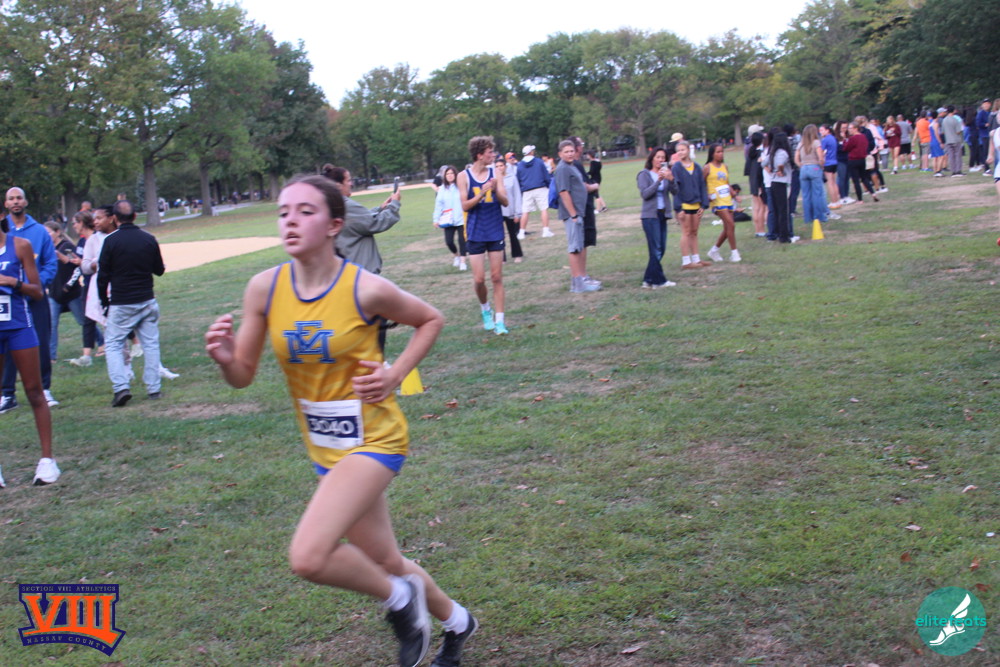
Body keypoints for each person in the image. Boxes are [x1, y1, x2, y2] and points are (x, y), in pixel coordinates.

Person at [205, 174, 475, 667]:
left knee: (308, 557)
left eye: (305, 211)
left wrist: (394, 374)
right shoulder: (264, 289)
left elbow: (430, 318)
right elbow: (242, 376)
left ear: (334, 225)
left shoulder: (364, 288)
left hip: (375, 439)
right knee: (385, 559)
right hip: (326, 447)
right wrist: (226, 359)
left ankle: (401, 600)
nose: (290, 220)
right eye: (284, 211)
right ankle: (458, 621)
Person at [0, 212, 60, 485]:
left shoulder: (20, 245)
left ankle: (47, 461)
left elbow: (37, 291)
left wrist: (13, 282)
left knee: (34, 391)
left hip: (19, 326)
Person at [97, 200, 165, 406]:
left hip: (122, 301)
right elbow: (159, 270)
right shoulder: (148, 239)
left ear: (114, 218)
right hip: (146, 299)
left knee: (113, 344)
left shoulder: (110, 241)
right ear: (135, 216)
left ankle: (121, 387)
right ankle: (154, 388)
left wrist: (104, 302)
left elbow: (102, 276)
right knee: (150, 343)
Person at [0, 187, 58, 414]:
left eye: (19, 198)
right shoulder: (4, 231)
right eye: (11, 199)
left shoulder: (39, 232)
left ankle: (44, 389)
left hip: (33, 297)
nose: (15, 202)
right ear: (6, 205)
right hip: (7, 302)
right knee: (7, 343)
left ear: (25, 202)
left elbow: (50, 263)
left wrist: (33, 286)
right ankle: (8, 394)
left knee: (40, 342)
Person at [458, 136, 510, 334]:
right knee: (479, 279)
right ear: (479, 155)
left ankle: (500, 321)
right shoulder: (463, 176)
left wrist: (495, 190)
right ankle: (485, 309)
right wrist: (481, 193)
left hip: (495, 229)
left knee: (496, 277)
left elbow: (505, 202)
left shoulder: (496, 173)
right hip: (475, 232)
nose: (493, 155)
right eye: (489, 152)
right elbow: (465, 206)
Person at [322, 165, 402, 275]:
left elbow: (358, 220)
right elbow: (375, 223)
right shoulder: (345, 205)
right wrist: (394, 204)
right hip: (360, 273)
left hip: (345, 271)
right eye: (348, 180)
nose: (351, 184)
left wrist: (380, 208)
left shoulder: (329, 204)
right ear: (338, 185)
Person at [555, 139, 600, 292]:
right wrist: (573, 215)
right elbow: (563, 192)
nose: (570, 154)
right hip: (572, 214)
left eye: (571, 151)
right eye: (566, 152)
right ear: (560, 154)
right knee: (574, 247)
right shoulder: (562, 169)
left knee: (579, 246)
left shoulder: (571, 166)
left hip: (579, 212)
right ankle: (577, 284)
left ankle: (581, 281)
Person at [66, 210, 104, 366]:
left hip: (101, 283)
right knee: (87, 318)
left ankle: (135, 342)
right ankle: (86, 356)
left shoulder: (97, 238)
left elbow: (100, 262)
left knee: (110, 316)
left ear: (82, 222)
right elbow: (82, 263)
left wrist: (82, 262)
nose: (73, 226)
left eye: (75, 222)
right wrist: (77, 262)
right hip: (87, 284)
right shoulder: (81, 242)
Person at [636, 147, 678, 288]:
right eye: (658, 157)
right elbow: (645, 194)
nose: (661, 160)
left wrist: (671, 179)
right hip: (649, 216)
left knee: (661, 248)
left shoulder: (667, 173)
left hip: (662, 214)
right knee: (656, 249)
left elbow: (676, 192)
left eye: (663, 158)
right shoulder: (644, 174)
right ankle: (659, 281)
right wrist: (658, 181)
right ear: (652, 158)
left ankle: (648, 279)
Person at [43, 221, 83, 362]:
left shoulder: (67, 247)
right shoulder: (47, 249)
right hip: (54, 294)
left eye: (49, 232)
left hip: (71, 293)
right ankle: (51, 356)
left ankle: (100, 342)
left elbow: (77, 267)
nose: (46, 235)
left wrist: (68, 286)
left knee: (83, 321)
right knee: (52, 324)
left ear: (58, 232)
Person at [672, 140, 711, 265]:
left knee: (694, 232)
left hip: (696, 204)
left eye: (683, 150)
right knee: (686, 232)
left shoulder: (697, 167)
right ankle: (686, 261)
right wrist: (678, 208)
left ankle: (696, 259)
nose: (680, 152)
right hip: (684, 205)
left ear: (688, 150)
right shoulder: (676, 168)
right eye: (678, 150)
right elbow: (675, 189)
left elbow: (702, 186)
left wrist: (704, 205)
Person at [704, 143, 741, 263]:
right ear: (712, 154)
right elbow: (701, 183)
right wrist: (706, 196)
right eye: (718, 152)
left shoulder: (725, 166)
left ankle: (714, 250)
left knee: (728, 227)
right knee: (731, 224)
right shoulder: (707, 167)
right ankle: (734, 253)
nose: (721, 154)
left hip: (727, 200)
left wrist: (734, 195)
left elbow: (727, 183)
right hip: (716, 201)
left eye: (722, 151)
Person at [795, 124, 836, 230]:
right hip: (814, 167)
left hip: (804, 168)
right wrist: (821, 165)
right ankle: (819, 216)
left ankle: (808, 217)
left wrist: (801, 165)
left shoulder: (801, 144)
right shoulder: (816, 142)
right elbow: (820, 157)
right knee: (817, 194)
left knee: (806, 195)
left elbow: (796, 158)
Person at [431, 166, 467, 271]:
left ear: (455, 175)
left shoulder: (461, 187)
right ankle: (456, 256)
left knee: (462, 241)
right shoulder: (442, 189)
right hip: (448, 220)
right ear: (445, 176)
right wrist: (436, 219)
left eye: (452, 173)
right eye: (447, 174)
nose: (450, 176)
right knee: (449, 241)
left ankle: (463, 262)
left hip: (461, 218)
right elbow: (438, 205)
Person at [515, 145, 553, 239]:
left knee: (525, 211)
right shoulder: (539, 162)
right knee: (544, 209)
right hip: (540, 187)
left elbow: (518, 179)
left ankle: (521, 232)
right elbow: (546, 175)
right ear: (531, 152)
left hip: (526, 190)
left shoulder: (520, 165)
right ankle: (545, 230)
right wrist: (548, 185)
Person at [764, 132, 793, 243]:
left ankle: (778, 233)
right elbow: (780, 163)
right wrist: (780, 170)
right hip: (782, 183)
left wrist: (771, 171)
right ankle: (784, 236)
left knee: (776, 210)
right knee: (783, 210)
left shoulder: (773, 152)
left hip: (773, 182)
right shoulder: (783, 153)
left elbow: (763, 163)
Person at [843, 122, 879, 203]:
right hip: (862, 160)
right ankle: (873, 193)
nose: (849, 130)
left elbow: (846, 148)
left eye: (850, 128)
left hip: (853, 160)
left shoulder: (853, 138)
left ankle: (860, 199)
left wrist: (845, 140)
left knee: (856, 181)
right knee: (864, 178)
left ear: (856, 129)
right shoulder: (863, 137)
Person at [498, 155, 524, 263]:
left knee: (513, 233)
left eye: (501, 165)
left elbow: (517, 195)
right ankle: (501, 257)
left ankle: (517, 254)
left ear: (505, 166)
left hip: (510, 210)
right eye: (497, 166)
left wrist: (518, 213)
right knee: (499, 235)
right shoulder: (493, 180)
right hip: (498, 211)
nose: (499, 168)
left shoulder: (512, 178)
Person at [941, 105, 964, 178]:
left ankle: (953, 170)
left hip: (948, 140)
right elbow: (958, 131)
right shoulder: (955, 120)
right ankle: (958, 170)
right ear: (953, 111)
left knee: (951, 156)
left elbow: (943, 131)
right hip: (956, 140)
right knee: (957, 155)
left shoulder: (944, 120)